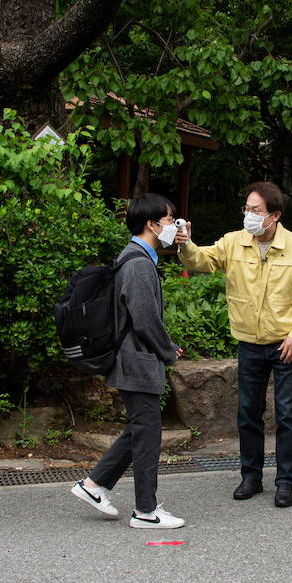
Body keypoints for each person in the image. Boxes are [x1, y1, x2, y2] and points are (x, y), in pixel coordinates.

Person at [176, 182, 292, 508]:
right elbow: (202, 260)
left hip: (286, 344)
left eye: (256, 211)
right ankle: (251, 477)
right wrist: (186, 244)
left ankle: (285, 483)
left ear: (274, 215)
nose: (249, 215)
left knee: (287, 416)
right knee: (247, 414)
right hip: (249, 342)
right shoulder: (234, 242)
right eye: (247, 209)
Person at [72, 194, 186, 529]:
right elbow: (145, 318)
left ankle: (94, 485)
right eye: (169, 219)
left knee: (141, 428)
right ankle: (145, 511)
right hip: (136, 360)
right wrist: (167, 350)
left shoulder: (137, 257)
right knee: (148, 434)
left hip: (133, 357)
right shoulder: (137, 263)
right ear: (151, 224)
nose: (172, 225)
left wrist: (166, 348)